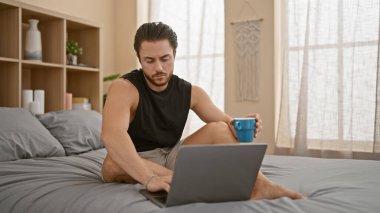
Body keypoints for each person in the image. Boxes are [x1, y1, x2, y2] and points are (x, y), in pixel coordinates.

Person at [101, 22, 303, 200]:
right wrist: (149, 178)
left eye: (165, 58)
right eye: (149, 60)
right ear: (139, 58)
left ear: (175, 54)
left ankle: (261, 186)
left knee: (220, 129)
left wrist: (241, 125)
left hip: (172, 155)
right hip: (139, 157)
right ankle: (185, 180)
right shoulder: (124, 88)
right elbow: (112, 135)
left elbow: (226, 124)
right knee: (112, 164)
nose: (159, 68)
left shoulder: (191, 92)